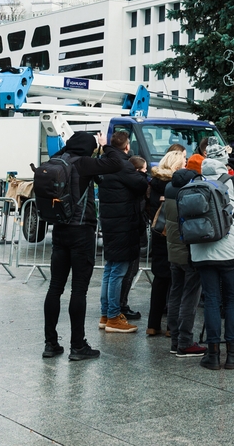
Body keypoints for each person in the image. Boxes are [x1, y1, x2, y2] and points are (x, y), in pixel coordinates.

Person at [41, 131, 124, 361]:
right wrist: (105, 145)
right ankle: (77, 346)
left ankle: (50, 343)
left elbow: (65, 152)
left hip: (59, 230)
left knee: (55, 287)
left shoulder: (58, 160)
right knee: (79, 290)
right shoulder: (85, 163)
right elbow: (116, 163)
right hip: (81, 231)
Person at [189, 145, 234, 370]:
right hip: (227, 250)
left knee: (211, 300)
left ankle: (213, 354)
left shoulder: (194, 181)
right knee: (233, 299)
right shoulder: (230, 181)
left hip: (200, 250)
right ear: (225, 161)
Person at [97, 130, 147, 334]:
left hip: (110, 223)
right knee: (117, 271)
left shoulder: (104, 162)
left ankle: (106, 314)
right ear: (127, 147)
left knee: (110, 270)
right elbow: (141, 185)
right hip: (123, 224)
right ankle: (113, 317)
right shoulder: (123, 165)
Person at [162, 165, 205, 357]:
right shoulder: (188, 197)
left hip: (173, 252)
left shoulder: (169, 194)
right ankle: (185, 342)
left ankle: (175, 341)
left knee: (175, 295)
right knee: (189, 298)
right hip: (188, 253)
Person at [145, 147, 185, 338]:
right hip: (175, 234)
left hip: (158, 233)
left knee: (159, 280)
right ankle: (172, 326)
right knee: (175, 281)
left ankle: (152, 324)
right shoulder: (176, 186)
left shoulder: (153, 183)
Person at [117, 155, 148, 323]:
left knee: (123, 271)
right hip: (131, 232)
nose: (146, 173)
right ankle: (120, 306)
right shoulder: (135, 187)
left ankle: (119, 305)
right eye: (144, 170)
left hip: (129, 231)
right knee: (128, 271)